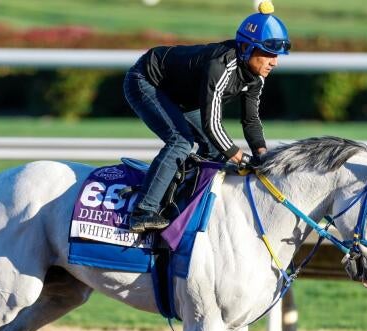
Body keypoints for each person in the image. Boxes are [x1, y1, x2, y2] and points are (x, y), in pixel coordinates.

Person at [124, 1, 291, 233]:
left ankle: (185, 204)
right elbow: (211, 123)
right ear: (247, 48)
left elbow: (251, 120)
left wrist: (263, 155)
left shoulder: (257, 76)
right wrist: (241, 157)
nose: (275, 62)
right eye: (268, 53)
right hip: (147, 81)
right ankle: (143, 212)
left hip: (181, 95)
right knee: (180, 141)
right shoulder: (221, 65)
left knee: (214, 152)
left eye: (277, 55)